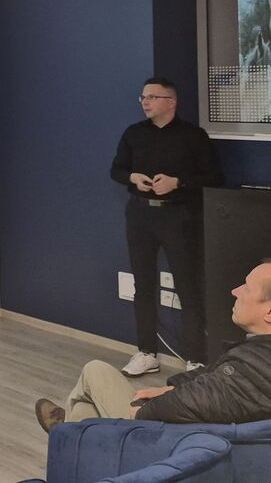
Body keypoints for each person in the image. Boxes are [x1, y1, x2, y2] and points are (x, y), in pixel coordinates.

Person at [35, 258, 271, 431]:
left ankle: (68, 435)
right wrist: (170, 387)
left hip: (169, 443)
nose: (235, 291)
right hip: (189, 432)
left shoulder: (258, 371)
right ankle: (71, 434)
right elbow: (210, 379)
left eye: (247, 288)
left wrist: (141, 412)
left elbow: (201, 398)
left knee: (93, 374)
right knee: (85, 408)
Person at [110, 77, 223, 376]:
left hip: (179, 216)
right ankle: (147, 352)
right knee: (143, 284)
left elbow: (213, 176)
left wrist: (178, 183)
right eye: (143, 97)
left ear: (170, 102)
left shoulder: (193, 136)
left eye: (152, 97)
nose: (145, 102)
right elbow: (116, 169)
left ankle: (195, 358)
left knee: (188, 285)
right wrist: (133, 178)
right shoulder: (133, 134)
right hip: (140, 216)